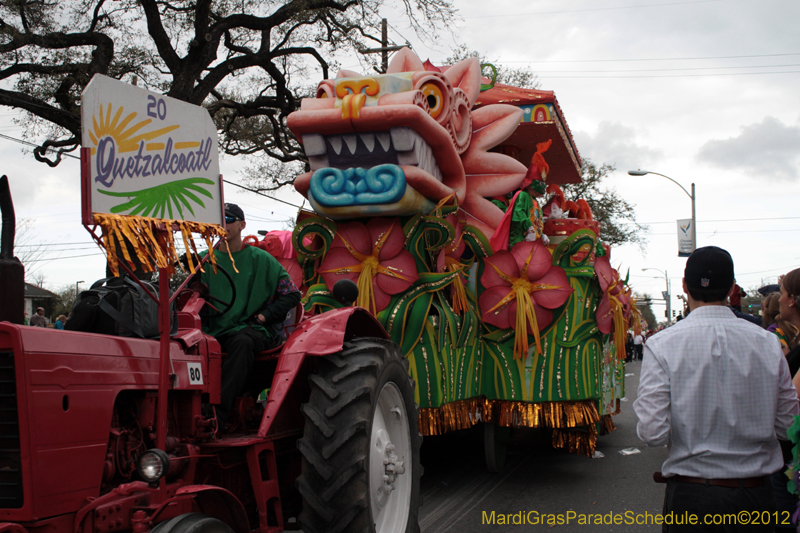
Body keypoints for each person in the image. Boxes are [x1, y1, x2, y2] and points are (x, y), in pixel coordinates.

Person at [634, 246, 799, 533]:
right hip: (755, 497)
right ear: (733, 288)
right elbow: (788, 425)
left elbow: (652, 433)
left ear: (685, 286)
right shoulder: (768, 344)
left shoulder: (662, 345)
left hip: (692, 496)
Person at [200, 203, 301, 428]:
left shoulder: (261, 259)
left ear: (242, 225)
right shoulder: (203, 260)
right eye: (218, 219)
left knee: (243, 341)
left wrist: (263, 317)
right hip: (210, 329)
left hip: (252, 329)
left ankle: (216, 417)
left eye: (227, 218)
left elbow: (291, 295)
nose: (222, 223)